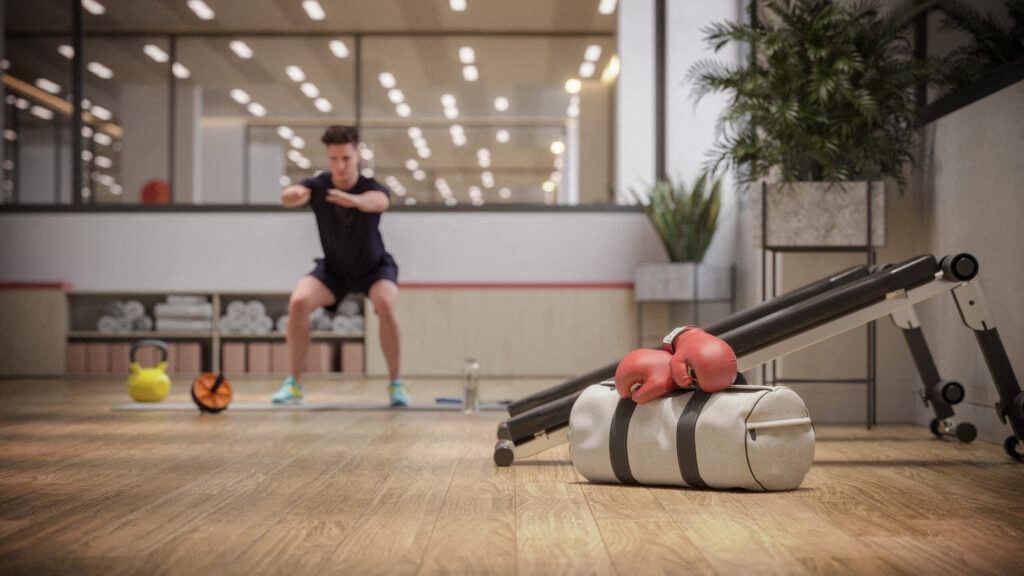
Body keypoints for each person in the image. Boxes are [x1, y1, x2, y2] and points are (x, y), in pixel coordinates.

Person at [273, 125, 407, 407]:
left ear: (357, 155)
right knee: (298, 301)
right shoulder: (319, 185)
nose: (340, 165)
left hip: (374, 267)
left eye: (346, 158)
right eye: (334, 159)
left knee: (385, 302)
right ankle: (294, 383)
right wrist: (291, 194)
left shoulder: (370, 187)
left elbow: (380, 202)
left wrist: (354, 200)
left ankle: (395, 384)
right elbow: (295, 193)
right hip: (335, 269)